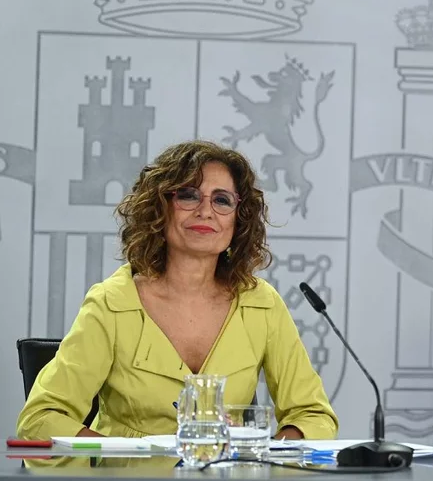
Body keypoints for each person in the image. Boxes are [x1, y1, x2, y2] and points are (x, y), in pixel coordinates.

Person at [17, 140, 339, 441]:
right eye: (188, 195)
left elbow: (313, 416)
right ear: (160, 208)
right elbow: (41, 419)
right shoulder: (112, 303)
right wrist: (112, 459)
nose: (205, 211)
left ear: (238, 222)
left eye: (222, 200)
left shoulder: (261, 304)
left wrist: (265, 458)